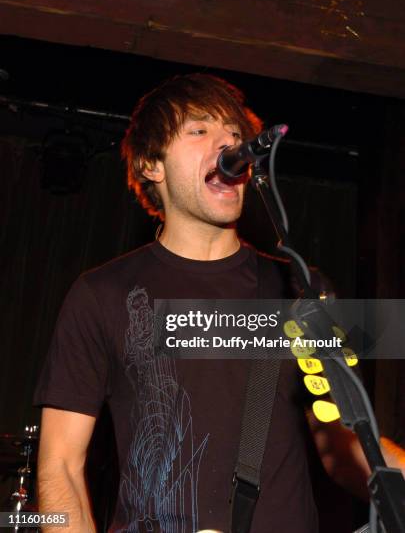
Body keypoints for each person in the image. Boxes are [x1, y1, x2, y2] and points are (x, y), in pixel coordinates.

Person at [34, 74, 404, 533]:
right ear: (152, 163)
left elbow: (341, 443)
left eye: (234, 133)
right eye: (200, 129)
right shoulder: (102, 294)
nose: (228, 142)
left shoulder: (298, 291)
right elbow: (60, 467)